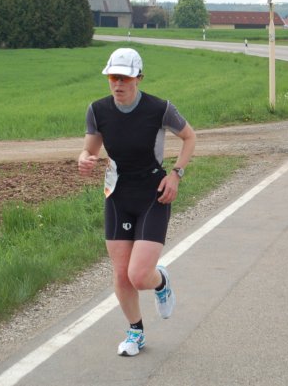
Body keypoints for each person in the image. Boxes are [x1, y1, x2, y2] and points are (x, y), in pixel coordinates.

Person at [78, 48, 196, 357]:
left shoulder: (160, 109)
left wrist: (176, 175)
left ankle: (161, 281)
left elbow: (190, 137)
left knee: (140, 275)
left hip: (153, 194)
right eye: (113, 77)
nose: (118, 84)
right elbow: (90, 149)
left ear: (138, 78)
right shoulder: (98, 110)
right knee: (121, 274)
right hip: (118, 195)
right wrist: (85, 159)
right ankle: (136, 332)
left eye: (125, 78)